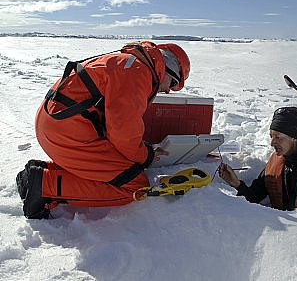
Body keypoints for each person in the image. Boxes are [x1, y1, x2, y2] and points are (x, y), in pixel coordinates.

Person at [16, 41, 190, 219]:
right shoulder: (138, 73)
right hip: (68, 133)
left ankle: (44, 171)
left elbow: (118, 123)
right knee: (134, 184)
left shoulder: (129, 63)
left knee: (119, 166)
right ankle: (44, 185)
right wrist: (147, 156)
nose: (169, 90)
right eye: (174, 83)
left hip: (55, 125)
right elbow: (123, 134)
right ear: (169, 68)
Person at [218, 107, 297, 210]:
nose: (272, 143)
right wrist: (237, 184)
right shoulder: (277, 161)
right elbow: (254, 196)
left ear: (294, 137)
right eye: (271, 136)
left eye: (278, 137)